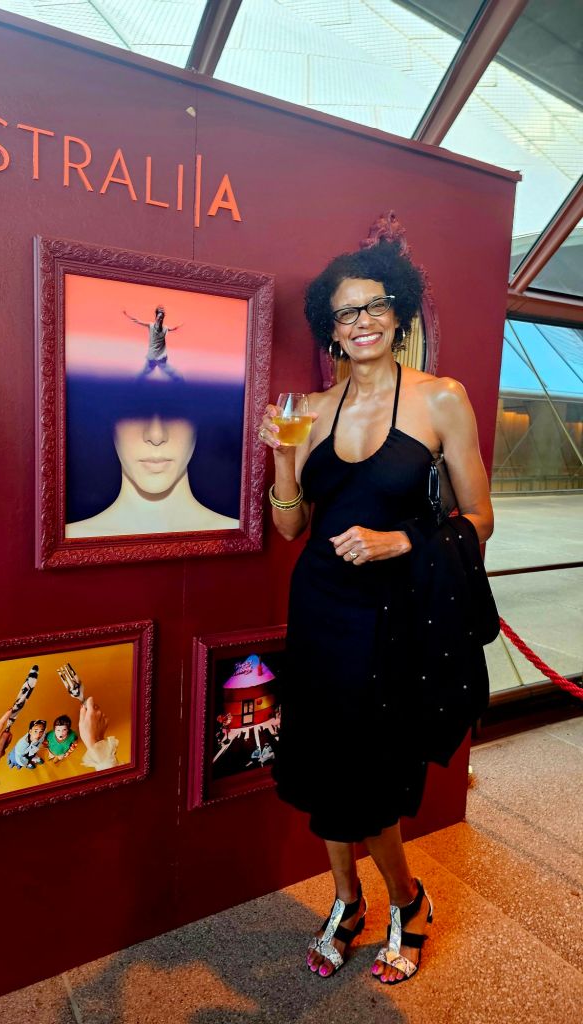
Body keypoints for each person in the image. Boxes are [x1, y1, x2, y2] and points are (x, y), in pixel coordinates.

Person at [258, 237, 496, 985]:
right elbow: (291, 529)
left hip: (396, 615)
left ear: (398, 314)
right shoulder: (310, 409)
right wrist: (283, 459)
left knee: (372, 775)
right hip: (320, 609)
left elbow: (480, 518)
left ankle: (406, 898)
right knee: (321, 764)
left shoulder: (441, 398)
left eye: (374, 306)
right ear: (329, 329)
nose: (361, 321)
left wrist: (402, 541)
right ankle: (345, 899)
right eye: (345, 313)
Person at [64, 383, 239, 537]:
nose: (156, 435)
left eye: (175, 409)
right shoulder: (67, 542)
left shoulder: (239, 538)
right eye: (136, 409)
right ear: (110, 420)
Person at [123, 305, 182, 379]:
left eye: (161, 317)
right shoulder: (151, 325)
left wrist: (177, 327)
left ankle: (178, 381)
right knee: (146, 371)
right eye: (159, 316)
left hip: (161, 356)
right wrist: (127, 315)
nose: (160, 318)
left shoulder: (164, 328)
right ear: (156, 317)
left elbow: (172, 329)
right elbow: (137, 321)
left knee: (168, 371)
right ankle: (136, 382)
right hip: (152, 356)